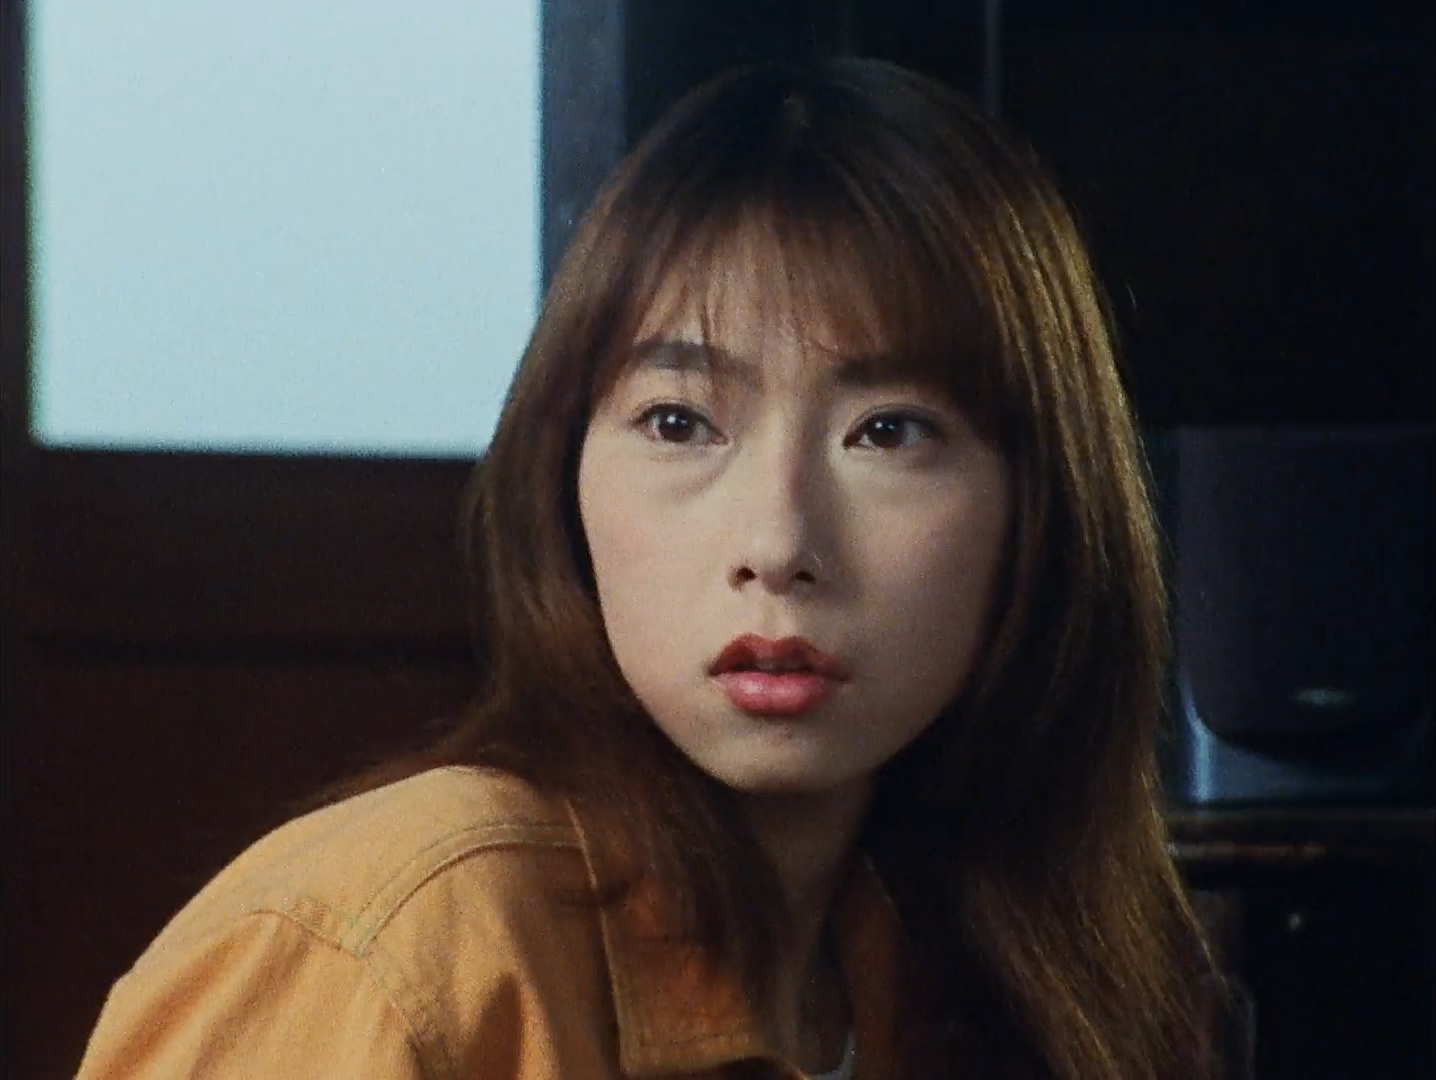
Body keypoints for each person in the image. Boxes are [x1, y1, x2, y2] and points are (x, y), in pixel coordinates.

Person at [76, 58, 1213, 1078]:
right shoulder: (399, 946)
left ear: (1039, 508)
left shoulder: (1004, 971)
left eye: (887, 432)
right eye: (678, 423)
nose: (777, 545)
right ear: (562, 475)